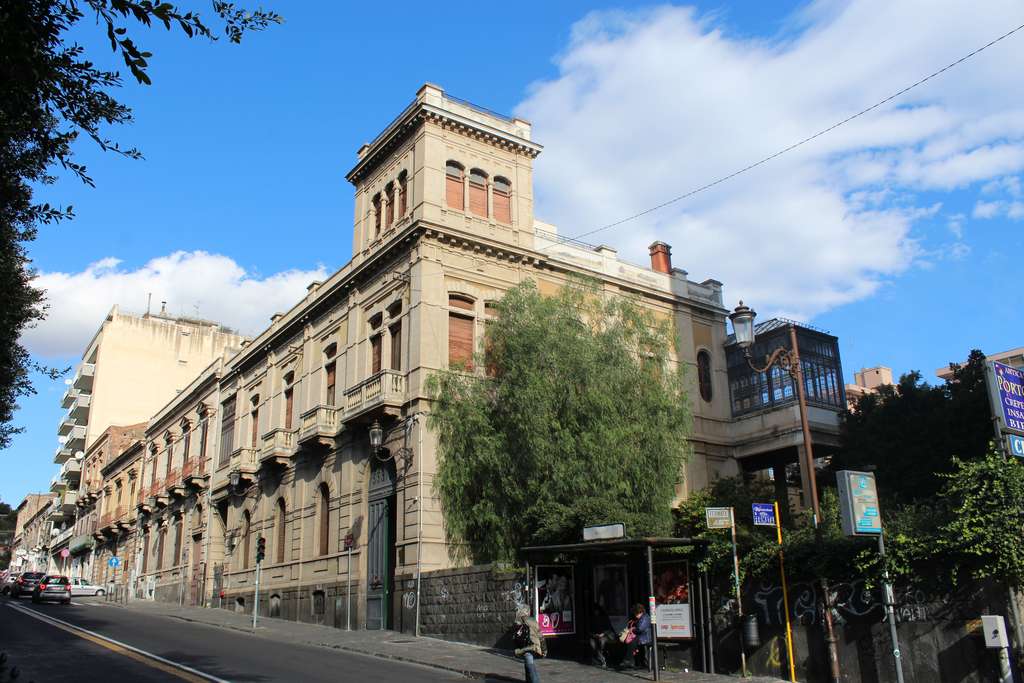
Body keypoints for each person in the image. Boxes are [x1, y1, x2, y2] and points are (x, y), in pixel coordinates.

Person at [513, 605, 546, 683]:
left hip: (526, 646)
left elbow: (516, 636)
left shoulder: (519, 621)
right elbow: (541, 636)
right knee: (529, 665)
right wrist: (544, 650)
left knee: (529, 666)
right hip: (534, 646)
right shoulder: (533, 620)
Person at [625, 603, 652, 670]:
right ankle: (630, 661)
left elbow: (640, 628)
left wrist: (633, 629)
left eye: (636, 614)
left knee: (632, 643)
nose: (636, 616)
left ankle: (628, 660)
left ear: (640, 612)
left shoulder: (645, 617)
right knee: (631, 642)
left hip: (646, 638)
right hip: (642, 637)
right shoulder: (642, 617)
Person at [588, 603, 616, 668]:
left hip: (605, 635)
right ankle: (601, 659)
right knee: (592, 644)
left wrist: (602, 634)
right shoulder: (592, 618)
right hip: (595, 635)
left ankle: (602, 660)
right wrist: (594, 635)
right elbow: (590, 630)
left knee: (601, 643)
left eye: (597, 611)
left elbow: (609, 628)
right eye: (594, 611)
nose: (595, 612)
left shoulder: (604, 617)